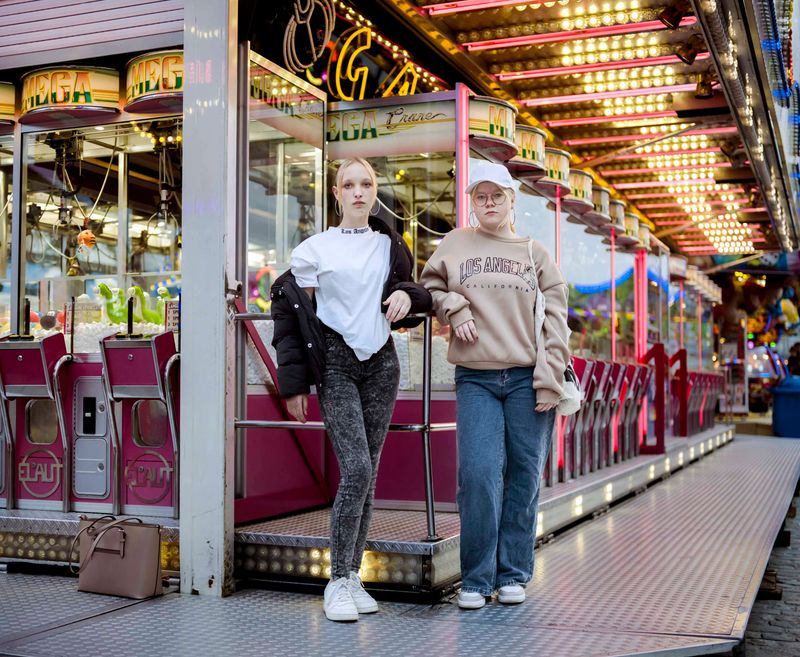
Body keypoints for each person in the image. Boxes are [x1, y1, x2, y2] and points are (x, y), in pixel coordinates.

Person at [270, 158, 432, 622]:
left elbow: (417, 295)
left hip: (382, 362)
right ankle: (337, 579)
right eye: (349, 184)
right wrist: (294, 385)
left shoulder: (391, 245)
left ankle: (353, 575)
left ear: (375, 191)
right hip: (337, 362)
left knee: (369, 471)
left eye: (366, 183)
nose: (358, 191)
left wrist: (409, 296)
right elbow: (290, 318)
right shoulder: (313, 249)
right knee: (357, 467)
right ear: (336, 193)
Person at [420, 160, 570, 610]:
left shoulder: (534, 252)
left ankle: (513, 573)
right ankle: (476, 578)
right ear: (471, 201)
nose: (488, 203)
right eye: (480, 196)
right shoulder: (453, 244)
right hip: (476, 379)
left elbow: (557, 324)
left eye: (497, 196)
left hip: (528, 379)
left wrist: (551, 380)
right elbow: (428, 290)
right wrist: (454, 306)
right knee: (479, 475)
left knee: (523, 477)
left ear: (511, 200)